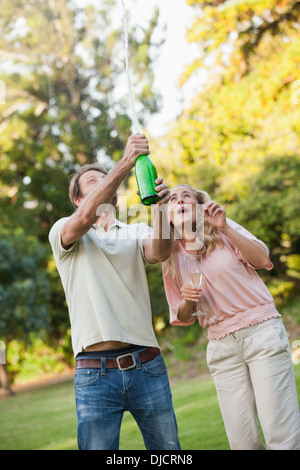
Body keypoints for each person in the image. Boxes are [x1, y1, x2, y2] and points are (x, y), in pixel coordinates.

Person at [49, 134, 180, 451]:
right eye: (93, 182)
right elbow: (83, 220)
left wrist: (160, 208)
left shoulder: (135, 231)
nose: (103, 183)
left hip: (147, 366)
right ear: (79, 200)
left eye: (105, 180)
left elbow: (161, 251)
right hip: (94, 375)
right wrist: (125, 163)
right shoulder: (66, 231)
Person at [162, 184, 300, 450]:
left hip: (261, 332)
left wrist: (225, 226)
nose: (179, 201)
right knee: (242, 442)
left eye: (186, 196)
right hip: (221, 346)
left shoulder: (221, 228)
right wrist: (188, 300)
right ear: (167, 216)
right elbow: (180, 314)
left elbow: (262, 259)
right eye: (172, 200)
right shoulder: (169, 257)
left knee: (280, 434)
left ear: (199, 206)